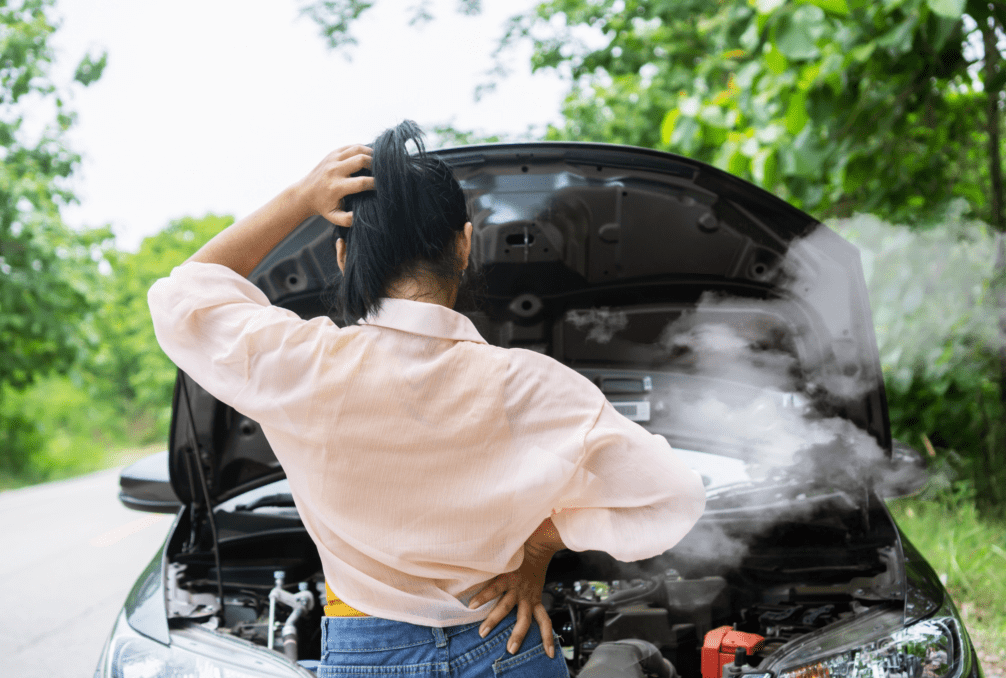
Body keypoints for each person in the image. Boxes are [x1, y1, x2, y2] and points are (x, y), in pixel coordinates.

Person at [148, 120, 706, 677]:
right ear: (464, 245)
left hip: (365, 656)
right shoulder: (533, 384)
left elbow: (181, 296)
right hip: (507, 646)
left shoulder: (301, 363)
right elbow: (673, 498)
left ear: (344, 257)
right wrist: (540, 547)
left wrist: (300, 199)